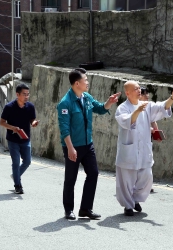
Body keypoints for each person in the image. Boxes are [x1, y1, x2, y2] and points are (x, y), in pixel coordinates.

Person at [57, 68, 120, 220]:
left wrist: (109, 103)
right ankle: (68, 210)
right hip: (73, 146)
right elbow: (64, 129)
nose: (87, 82)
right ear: (77, 83)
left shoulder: (86, 97)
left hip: (87, 144)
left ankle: (85, 209)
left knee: (93, 173)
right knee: (71, 178)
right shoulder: (65, 103)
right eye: (85, 80)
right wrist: (70, 148)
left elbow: (99, 108)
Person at [115, 81, 173, 216]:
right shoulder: (122, 108)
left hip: (144, 150)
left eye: (138, 88)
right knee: (126, 180)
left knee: (146, 177)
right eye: (135, 89)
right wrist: (136, 111)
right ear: (128, 93)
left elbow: (161, 107)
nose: (139, 90)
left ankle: (135, 199)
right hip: (128, 151)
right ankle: (128, 206)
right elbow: (127, 121)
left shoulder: (146, 106)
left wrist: (172, 98)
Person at [0, 83, 39, 194]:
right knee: (16, 163)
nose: (26, 96)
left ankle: (15, 175)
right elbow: (2, 122)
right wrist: (13, 128)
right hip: (13, 140)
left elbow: (32, 119)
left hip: (25, 139)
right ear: (17, 94)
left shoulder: (30, 106)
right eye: (24, 94)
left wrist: (34, 122)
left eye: (28, 94)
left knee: (27, 161)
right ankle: (18, 185)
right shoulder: (9, 107)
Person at [139, 86, 158, 193]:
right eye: (144, 94)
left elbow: (153, 120)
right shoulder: (135, 107)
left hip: (147, 139)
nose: (147, 96)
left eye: (147, 94)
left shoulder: (149, 106)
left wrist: (156, 132)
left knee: (148, 161)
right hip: (138, 140)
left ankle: (147, 185)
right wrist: (149, 129)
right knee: (139, 162)